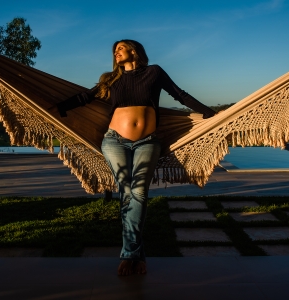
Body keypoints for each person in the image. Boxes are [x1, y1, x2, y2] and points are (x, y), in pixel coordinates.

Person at [54, 39, 215, 276]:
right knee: (128, 193)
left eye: (120, 48)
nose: (116, 52)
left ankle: (131, 254)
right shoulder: (111, 79)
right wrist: (58, 107)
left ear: (134, 50)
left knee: (137, 192)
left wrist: (209, 112)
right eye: (114, 50)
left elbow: (180, 95)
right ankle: (135, 256)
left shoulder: (154, 72)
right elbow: (86, 97)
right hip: (114, 141)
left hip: (148, 141)